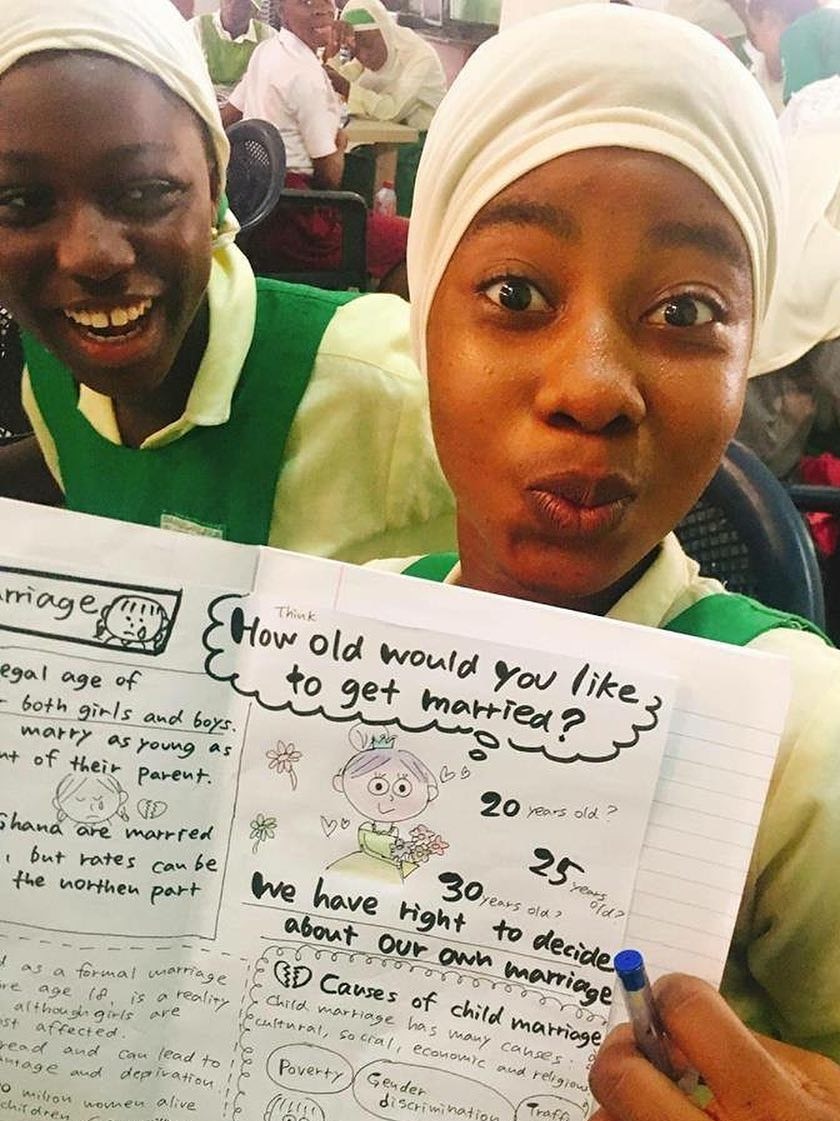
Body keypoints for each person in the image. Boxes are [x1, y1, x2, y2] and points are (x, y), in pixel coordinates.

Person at [365, 2, 840, 1111]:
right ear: (417, 316)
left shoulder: (806, 731)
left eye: (685, 309)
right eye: (515, 294)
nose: (591, 387)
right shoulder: (356, 629)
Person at [0, 0, 454, 565]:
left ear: (216, 184)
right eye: (18, 201)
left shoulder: (392, 389)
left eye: (145, 192)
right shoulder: (50, 373)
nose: (92, 257)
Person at [222, 0, 411, 292]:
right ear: (282, 12)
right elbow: (329, 179)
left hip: (257, 211)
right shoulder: (305, 75)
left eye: (326, 1)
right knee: (411, 239)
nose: (321, 9)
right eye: (306, 2)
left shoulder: (267, 51)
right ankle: (380, 328)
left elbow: (229, 114)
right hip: (300, 224)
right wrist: (341, 145)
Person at [324, 0, 448, 215]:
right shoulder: (366, 56)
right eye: (354, 50)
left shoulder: (419, 57)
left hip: (421, 149)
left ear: (385, 31)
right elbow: (331, 88)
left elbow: (390, 109)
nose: (363, 56)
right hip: (383, 144)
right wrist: (333, 51)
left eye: (368, 46)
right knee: (343, 166)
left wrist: (346, 87)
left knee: (361, 176)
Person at [745, 0, 840, 104]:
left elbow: (802, 107)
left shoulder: (795, 34)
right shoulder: (830, 20)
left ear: (769, 20)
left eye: (755, 34)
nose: (758, 46)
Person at [190, 0, 276, 103]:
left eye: (242, 3)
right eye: (228, 0)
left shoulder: (268, 37)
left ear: (255, 11)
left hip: (244, 108)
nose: (232, 7)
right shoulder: (196, 28)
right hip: (201, 104)